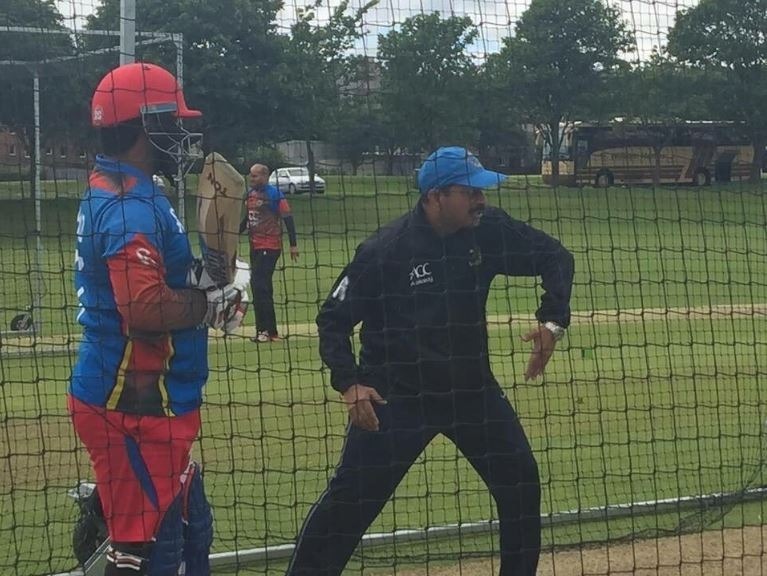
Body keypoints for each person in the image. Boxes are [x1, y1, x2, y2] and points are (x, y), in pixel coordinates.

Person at [286, 146, 575, 576]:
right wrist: (350, 383)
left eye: (482, 191)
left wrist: (552, 322)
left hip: (471, 391)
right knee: (349, 504)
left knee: (520, 483)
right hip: (396, 397)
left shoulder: (487, 230)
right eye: (470, 192)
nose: (481, 200)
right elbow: (333, 319)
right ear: (436, 196)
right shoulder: (385, 249)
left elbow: (556, 257)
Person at [68, 61, 249, 575]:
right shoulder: (131, 205)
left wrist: (207, 277)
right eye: (173, 123)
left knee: (193, 529)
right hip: (131, 408)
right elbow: (143, 306)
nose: (182, 136)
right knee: (152, 553)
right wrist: (209, 306)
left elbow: (155, 279)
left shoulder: (130, 188)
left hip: (151, 404)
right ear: (145, 126)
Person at [240, 163, 299, 343]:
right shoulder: (249, 195)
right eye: (251, 175)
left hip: (270, 246)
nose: (251, 179)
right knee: (260, 288)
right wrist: (231, 234)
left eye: (255, 176)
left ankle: (265, 331)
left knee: (260, 286)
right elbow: (247, 220)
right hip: (255, 246)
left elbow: (288, 218)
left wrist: (293, 245)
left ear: (265, 177)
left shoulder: (275, 195)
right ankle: (268, 331)